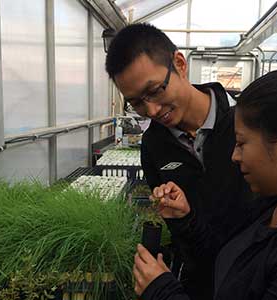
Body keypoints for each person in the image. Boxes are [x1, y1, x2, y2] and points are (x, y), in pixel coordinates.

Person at [132, 60, 277, 300]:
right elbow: (230, 257)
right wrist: (186, 219)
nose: (235, 156)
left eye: (242, 143)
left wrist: (161, 292)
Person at [105, 23, 255, 300]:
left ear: (179, 64)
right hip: (202, 281)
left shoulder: (247, 121)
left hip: (260, 276)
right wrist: (183, 217)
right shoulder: (153, 146)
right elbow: (183, 235)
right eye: (136, 102)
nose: (151, 110)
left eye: (155, 91)